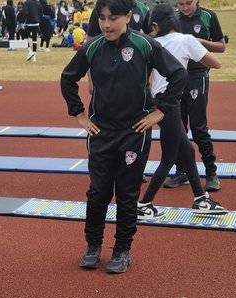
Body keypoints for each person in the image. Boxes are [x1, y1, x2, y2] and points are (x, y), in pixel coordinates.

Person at [60, 0, 185, 274]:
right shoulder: (93, 46)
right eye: (102, 18)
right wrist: (79, 114)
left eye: (113, 18)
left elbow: (178, 74)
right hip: (101, 133)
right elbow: (68, 78)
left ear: (128, 16)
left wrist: (160, 111)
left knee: (127, 195)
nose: (106, 24)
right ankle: (93, 246)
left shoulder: (143, 44)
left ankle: (122, 250)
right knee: (97, 193)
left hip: (134, 133)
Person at [137, 4, 224, 220]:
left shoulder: (153, 43)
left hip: (159, 100)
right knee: (169, 157)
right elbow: (216, 63)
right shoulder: (186, 40)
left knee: (186, 152)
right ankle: (144, 203)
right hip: (171, 102)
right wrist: (199, 45)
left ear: (156, 26)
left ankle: (200, 199)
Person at [165, 0, 223, 192]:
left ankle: (211, 172)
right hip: (176, 76)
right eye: (180, 3)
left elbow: (221, 46)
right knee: (178, 128)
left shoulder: (208, 16)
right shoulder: (172, 18)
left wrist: (199, 43)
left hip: (198, 76)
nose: (185, 7)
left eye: (188, 3)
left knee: (198, 127)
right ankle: (181, 172)